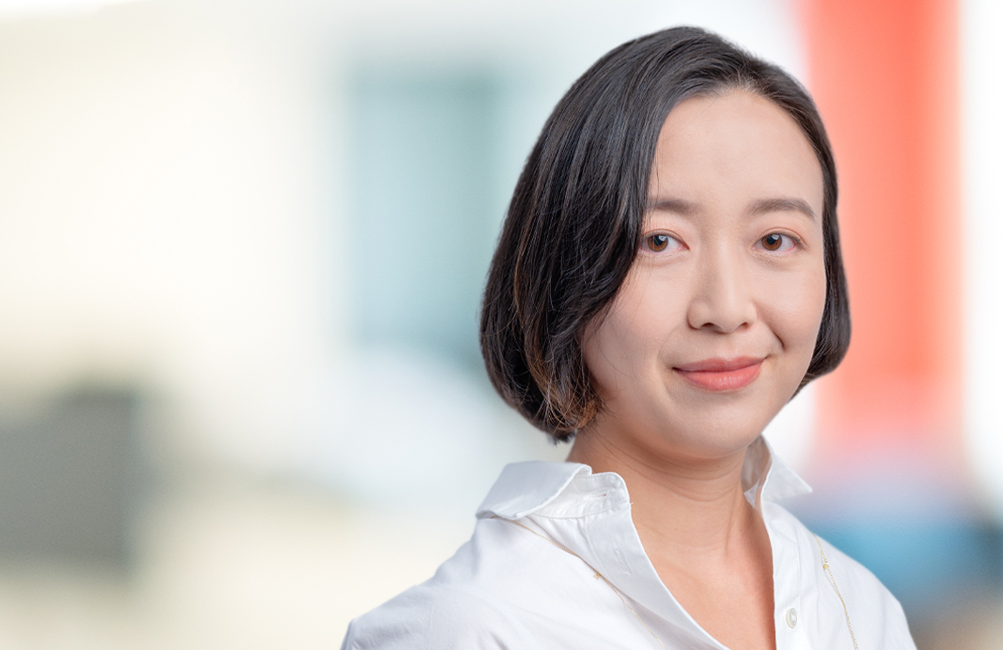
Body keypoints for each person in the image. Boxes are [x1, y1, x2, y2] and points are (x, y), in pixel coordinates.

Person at [342, 26, 915, 650]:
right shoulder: (468, 628)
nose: (725, 308)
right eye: (659, 241)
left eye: (775, 240)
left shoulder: (860, 610)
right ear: (564, 272)